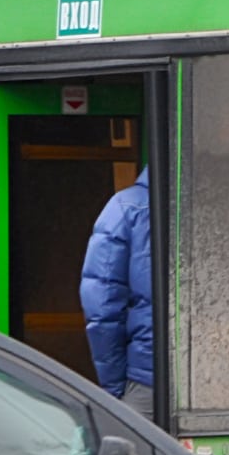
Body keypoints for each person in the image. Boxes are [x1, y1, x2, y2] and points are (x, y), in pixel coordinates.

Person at [80, 166, 154, 416]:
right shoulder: (225, 205)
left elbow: (102, 307)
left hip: (147, 377)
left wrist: (114, 389)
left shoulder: (126, 207)